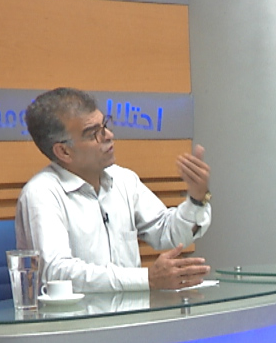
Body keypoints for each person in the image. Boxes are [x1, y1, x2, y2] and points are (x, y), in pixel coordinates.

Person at [16, 87, 212, 291]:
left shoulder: (123, 179)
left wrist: (197, 199)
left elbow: (167, 233)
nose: (109, 135)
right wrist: (146, 279)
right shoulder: (41, 193)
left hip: (132, 308)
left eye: (105, 125)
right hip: (77, 312)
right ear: (64, 151)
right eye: (94, 133)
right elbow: (57, 272)